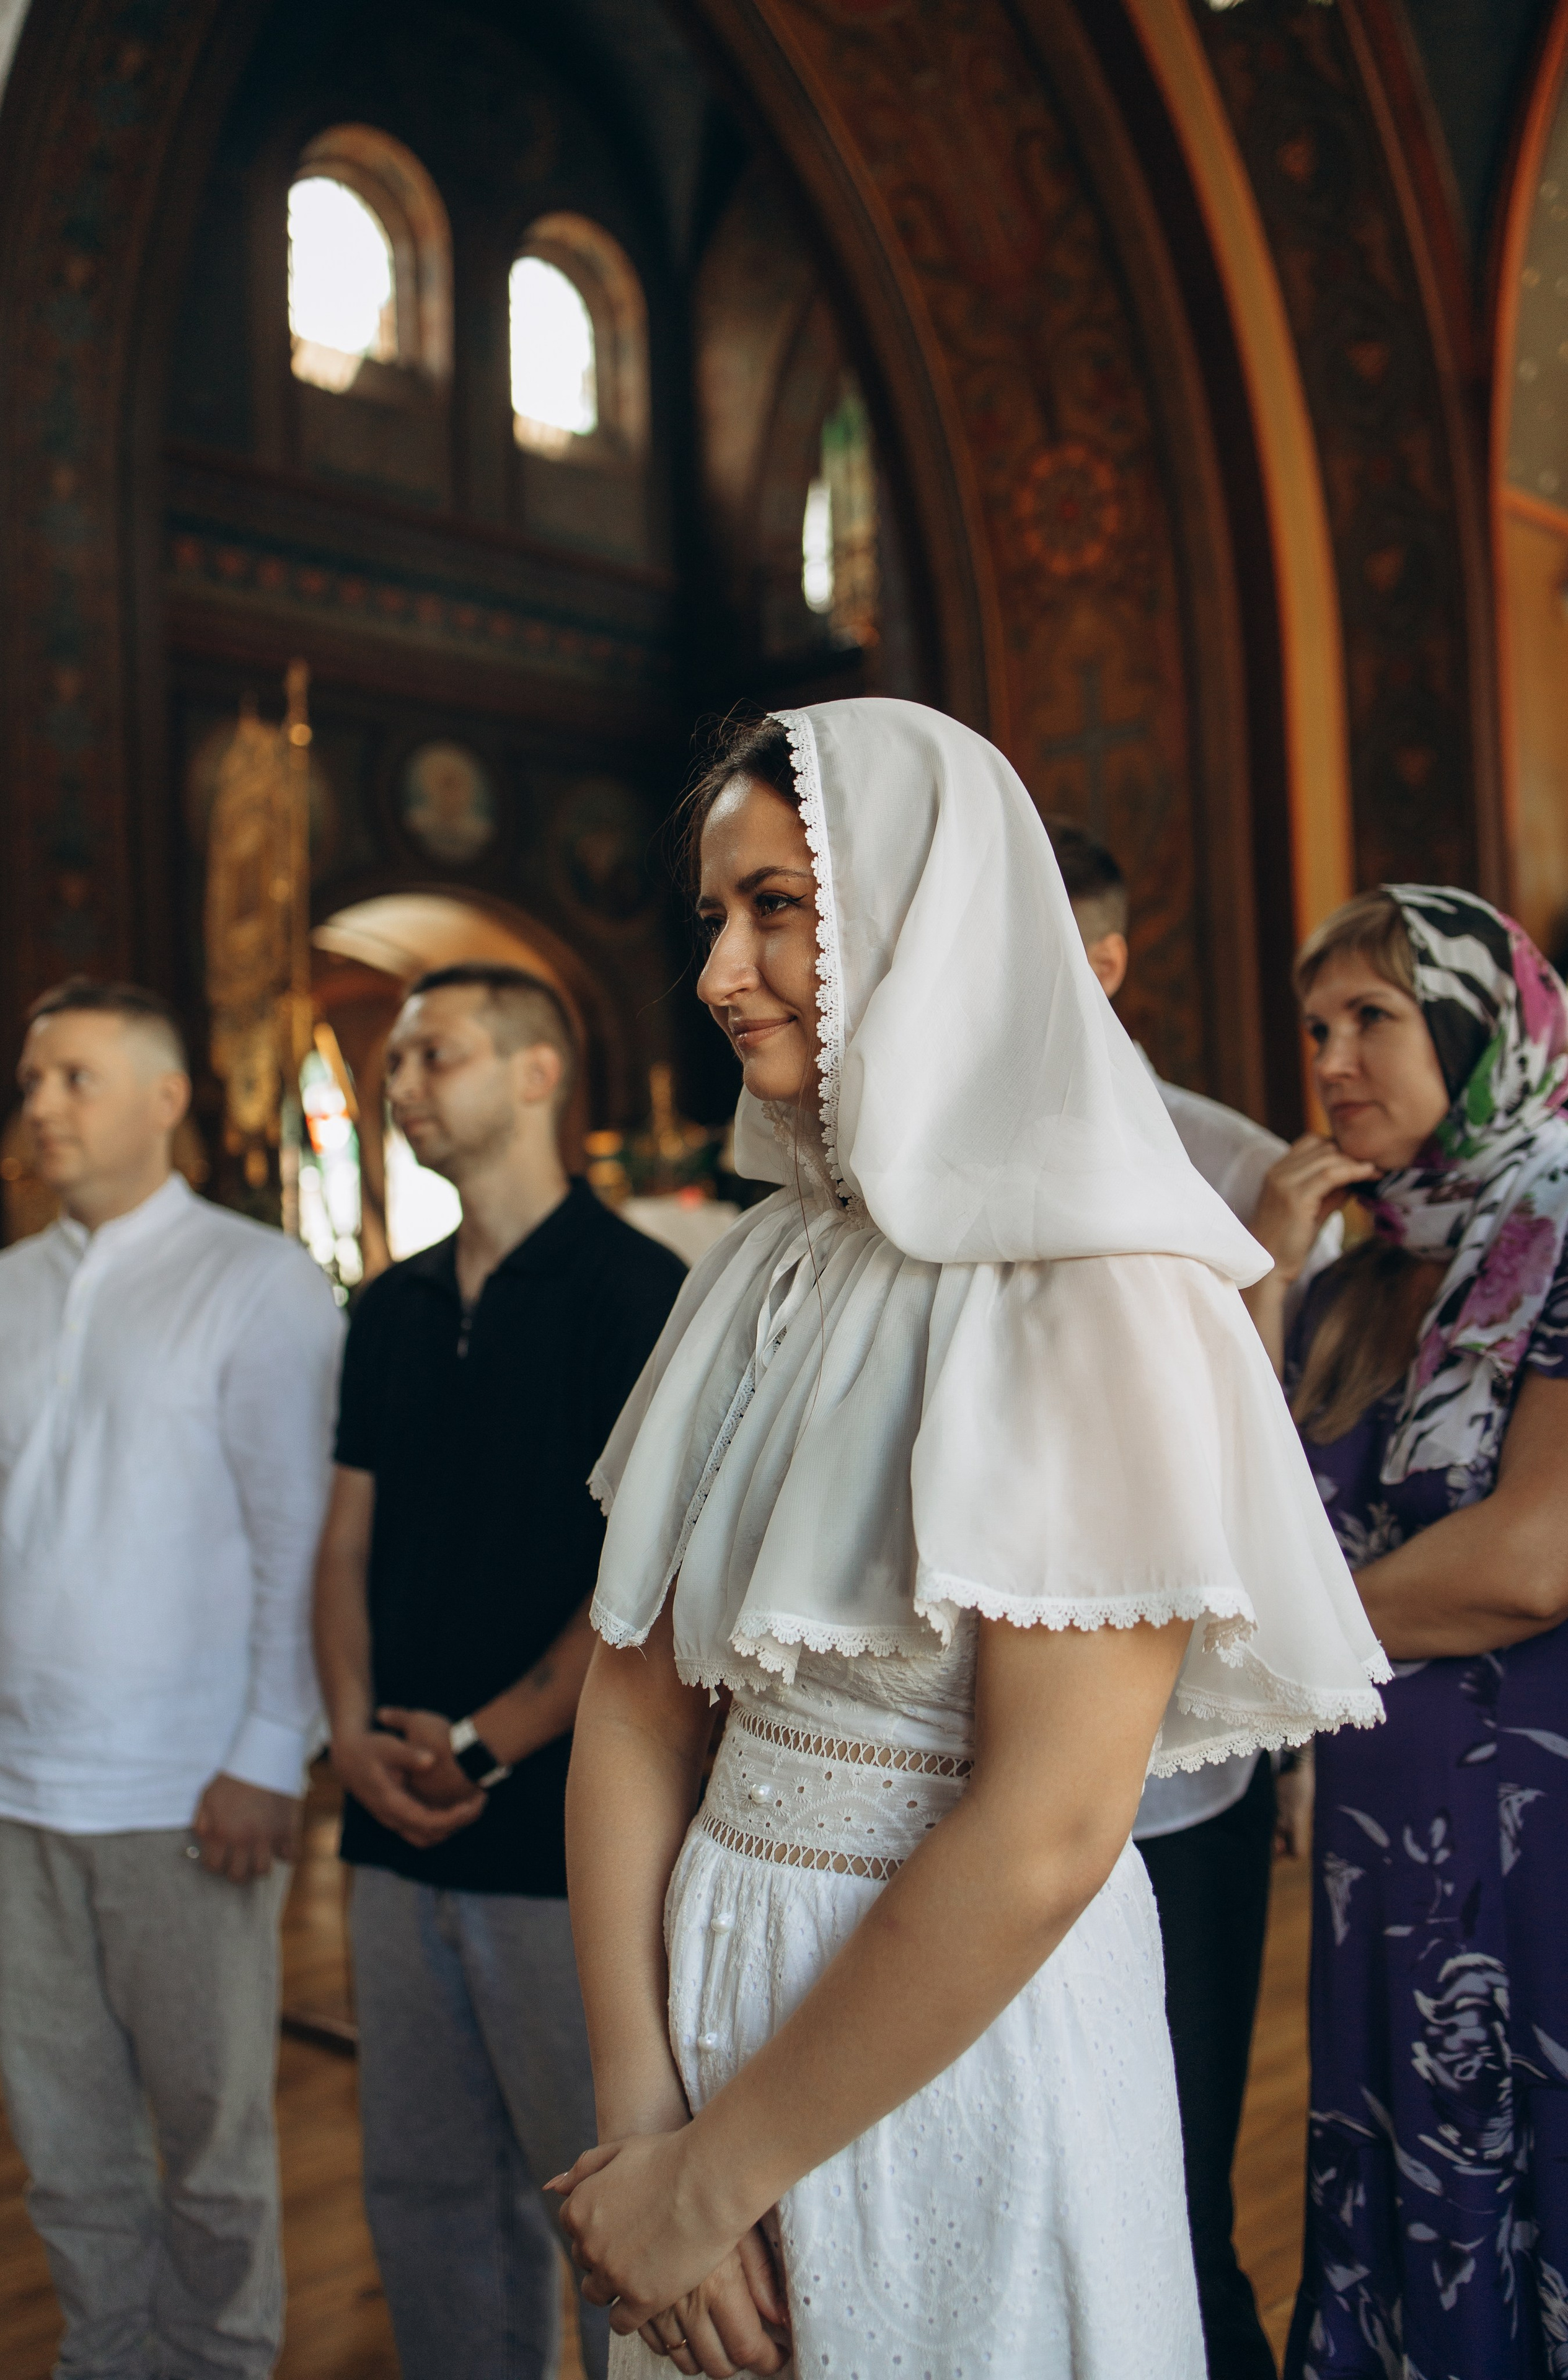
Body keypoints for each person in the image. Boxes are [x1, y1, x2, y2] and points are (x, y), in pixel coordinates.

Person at [551, 699, 1389, 2380]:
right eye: (713, 918)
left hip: (960, 2046)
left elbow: (1049, 1825)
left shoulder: (1098, 1283)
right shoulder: (763, 1272)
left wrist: (717, 2177)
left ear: (926, 907)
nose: (721, 972)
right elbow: (635, 1703)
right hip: (705, 2000)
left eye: (778, 909)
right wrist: (644, 2120)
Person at [314, 963, 685, 2380]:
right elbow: (343, 1537)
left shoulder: (635, 1289)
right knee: (420, 2192)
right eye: (394, 1062)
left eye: (433, 1056)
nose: (399, 1084)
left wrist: (482, 1745)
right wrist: (351, 1735)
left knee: (593, 2196)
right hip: (389, 1814)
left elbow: (639, 1581)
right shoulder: (389, 1306)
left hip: (559, 1820)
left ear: (537, 1073)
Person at [0, 976, 343, 2380]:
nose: (41, 1108)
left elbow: (296, 1534)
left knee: (210, 2145)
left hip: (187, 1787)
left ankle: (218, 2363)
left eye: (73, 1077)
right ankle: (104, 2358)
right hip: (14, 1787)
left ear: (165, 1098)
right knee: (63, 2137)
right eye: (30, 1081)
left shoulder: (256, 1284)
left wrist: (269, 1751)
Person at [1236, 887, 1568, 2380]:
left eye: (1371, 1017)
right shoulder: (1352, 1282)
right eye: (1315, 1029)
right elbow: (1221, 1515)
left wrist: (1289, 1632)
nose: (1331, 1059)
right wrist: (1262, 1275)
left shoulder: (1564, 1224)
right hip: (1384, 1856)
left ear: (1477, 1026)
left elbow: (1528, 1559)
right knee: (1407, 2193)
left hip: (1538, 1837)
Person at [1054, 819, 1323, 2380]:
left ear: (1101, 961)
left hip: (1181, 1764)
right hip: (967, 1762)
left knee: (1181, 2180)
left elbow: (1281, 1480)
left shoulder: (1226, 1164)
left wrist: (1267, 1272)